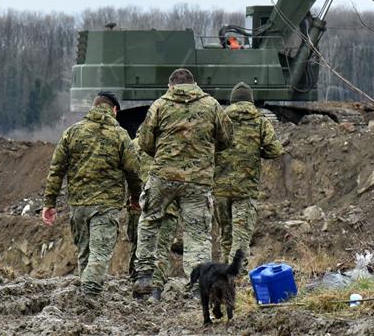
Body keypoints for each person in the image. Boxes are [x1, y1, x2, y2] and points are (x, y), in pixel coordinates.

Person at [132, 68, 232, 298]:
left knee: (149, 221)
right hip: (198, 179)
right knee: (197, 232)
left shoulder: (159, 105)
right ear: (194, 84)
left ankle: (145, 276)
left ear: (171, 86)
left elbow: (145, 142)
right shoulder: (212, 105)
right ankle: (199, 286)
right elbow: (227, 139)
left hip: (163, 177)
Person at [42, 91, 142, 297]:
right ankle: (87, 295)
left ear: (93, 107)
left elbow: (56, 170)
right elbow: (133, 171)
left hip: (78, 205)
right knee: (100, 254)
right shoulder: (120, 135)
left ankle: (84, 300)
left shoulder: (72, 132)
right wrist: (135, 196)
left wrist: (49, 203)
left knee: (85, 254)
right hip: (106, 206)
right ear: (114, 110)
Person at [213, 82, 283, 272]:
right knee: (241, 235)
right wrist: (256, 151)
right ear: (251, 100)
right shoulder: (260, 120)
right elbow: (275, 150)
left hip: (219, 188)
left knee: (226, 235)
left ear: (232, 100)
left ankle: (225, 272)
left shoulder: (220, 120)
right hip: (245, 188)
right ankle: (236, 275)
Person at [126, 137, 179, 291]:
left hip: (140, 204)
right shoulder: (174, 144)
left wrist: (133, 196)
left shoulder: (134, 145)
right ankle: (156, 288)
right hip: (168, 205)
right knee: (161, 248)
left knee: (139, 245)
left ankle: (138, 281)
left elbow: (129, 173)